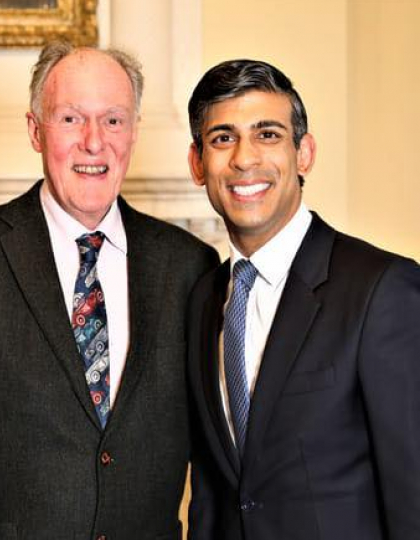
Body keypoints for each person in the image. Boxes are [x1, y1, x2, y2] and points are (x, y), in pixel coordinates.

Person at [0, 41, 219, 540]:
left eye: (113, 120)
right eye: (71, 119)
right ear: (35, 130)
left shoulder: (188, 266)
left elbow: (210, 460)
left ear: (133, 132)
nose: (94, 142)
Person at [185, 59, 420, 539]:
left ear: (304, 153)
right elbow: (216, 491)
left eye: (267, 134)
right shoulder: (203, 299)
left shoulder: (382, 289)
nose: (245, 159)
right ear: (197, 163)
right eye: (223, 138)